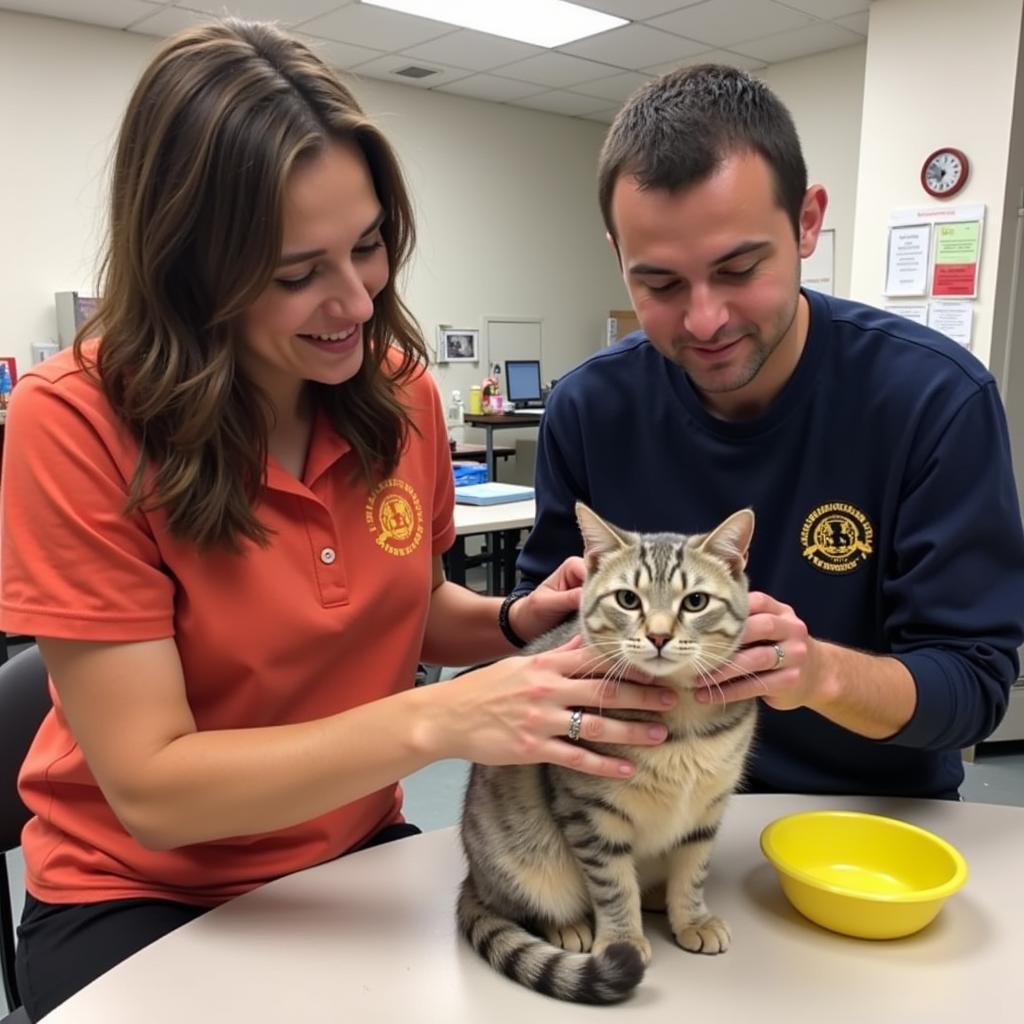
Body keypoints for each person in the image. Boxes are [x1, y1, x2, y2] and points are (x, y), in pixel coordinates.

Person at [0, 21, 678, 1021]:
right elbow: (154, 788)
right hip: (143, 891)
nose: (355, 301)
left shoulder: (400, 394)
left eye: (369, 247)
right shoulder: (75, 422)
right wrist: (439, 720)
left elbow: (396, 605)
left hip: (347, 850)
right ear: (191, 270)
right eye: (295, 273)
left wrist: (507, 623)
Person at [515, 64, 1024, 802]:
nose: (704, 320)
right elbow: (547, 631)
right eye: (659, 284)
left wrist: (818, 672)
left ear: (808, 222)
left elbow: (972, 686)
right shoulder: (589, 408)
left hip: (863, 815)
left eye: (739, 268)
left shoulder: (934, 400)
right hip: (641, 820)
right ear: (618, 259)